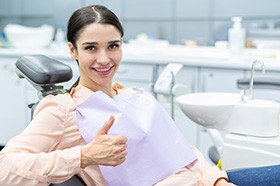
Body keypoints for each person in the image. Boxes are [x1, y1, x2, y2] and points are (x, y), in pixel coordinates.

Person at [0, 4, 237, 186]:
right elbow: (5, 168)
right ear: (72, 50)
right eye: (91, 47)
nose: (104, 59)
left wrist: (218, 180)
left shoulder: (135, 97)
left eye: (113, 46)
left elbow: (183, 152)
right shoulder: (64, 110)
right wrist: (84, 156)